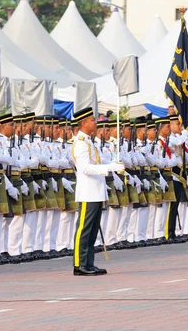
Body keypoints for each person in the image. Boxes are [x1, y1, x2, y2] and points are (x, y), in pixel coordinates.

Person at [71, 107, 124, 276]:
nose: (95, 122)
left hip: (96, 191)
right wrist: (109, 167)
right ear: (84, 123)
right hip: (87, 192)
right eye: (93, 120)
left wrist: (114, 164)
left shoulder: (89, 142)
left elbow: (97, 163)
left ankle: (89, 262)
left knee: (93, 230)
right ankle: (79, 264)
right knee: (84, 229)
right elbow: (85, 168)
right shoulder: (80, 143)